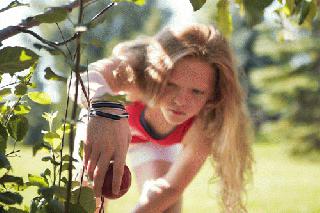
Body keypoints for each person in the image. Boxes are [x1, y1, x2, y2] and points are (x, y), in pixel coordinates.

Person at [70, 23, 253, 213]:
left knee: (166, 208)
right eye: (171, 85)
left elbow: (171, 187)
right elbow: (80, 80)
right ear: (155, 74)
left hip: (150, 145)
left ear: (213, 94)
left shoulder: (208, 119)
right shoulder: (135, 69)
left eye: (197, 92)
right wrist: (105, 109)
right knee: (85, 201)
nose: (181, 101)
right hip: (105, 123)